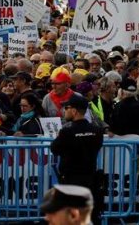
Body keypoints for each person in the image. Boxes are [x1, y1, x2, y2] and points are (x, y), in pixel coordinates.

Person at [50, 94, 103, 224]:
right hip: (90, 179)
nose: (64, 111)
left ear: (74, 111)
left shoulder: (67, 132)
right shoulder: (97, 131)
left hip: (70, 180)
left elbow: (55, 149)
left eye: (66, 108)